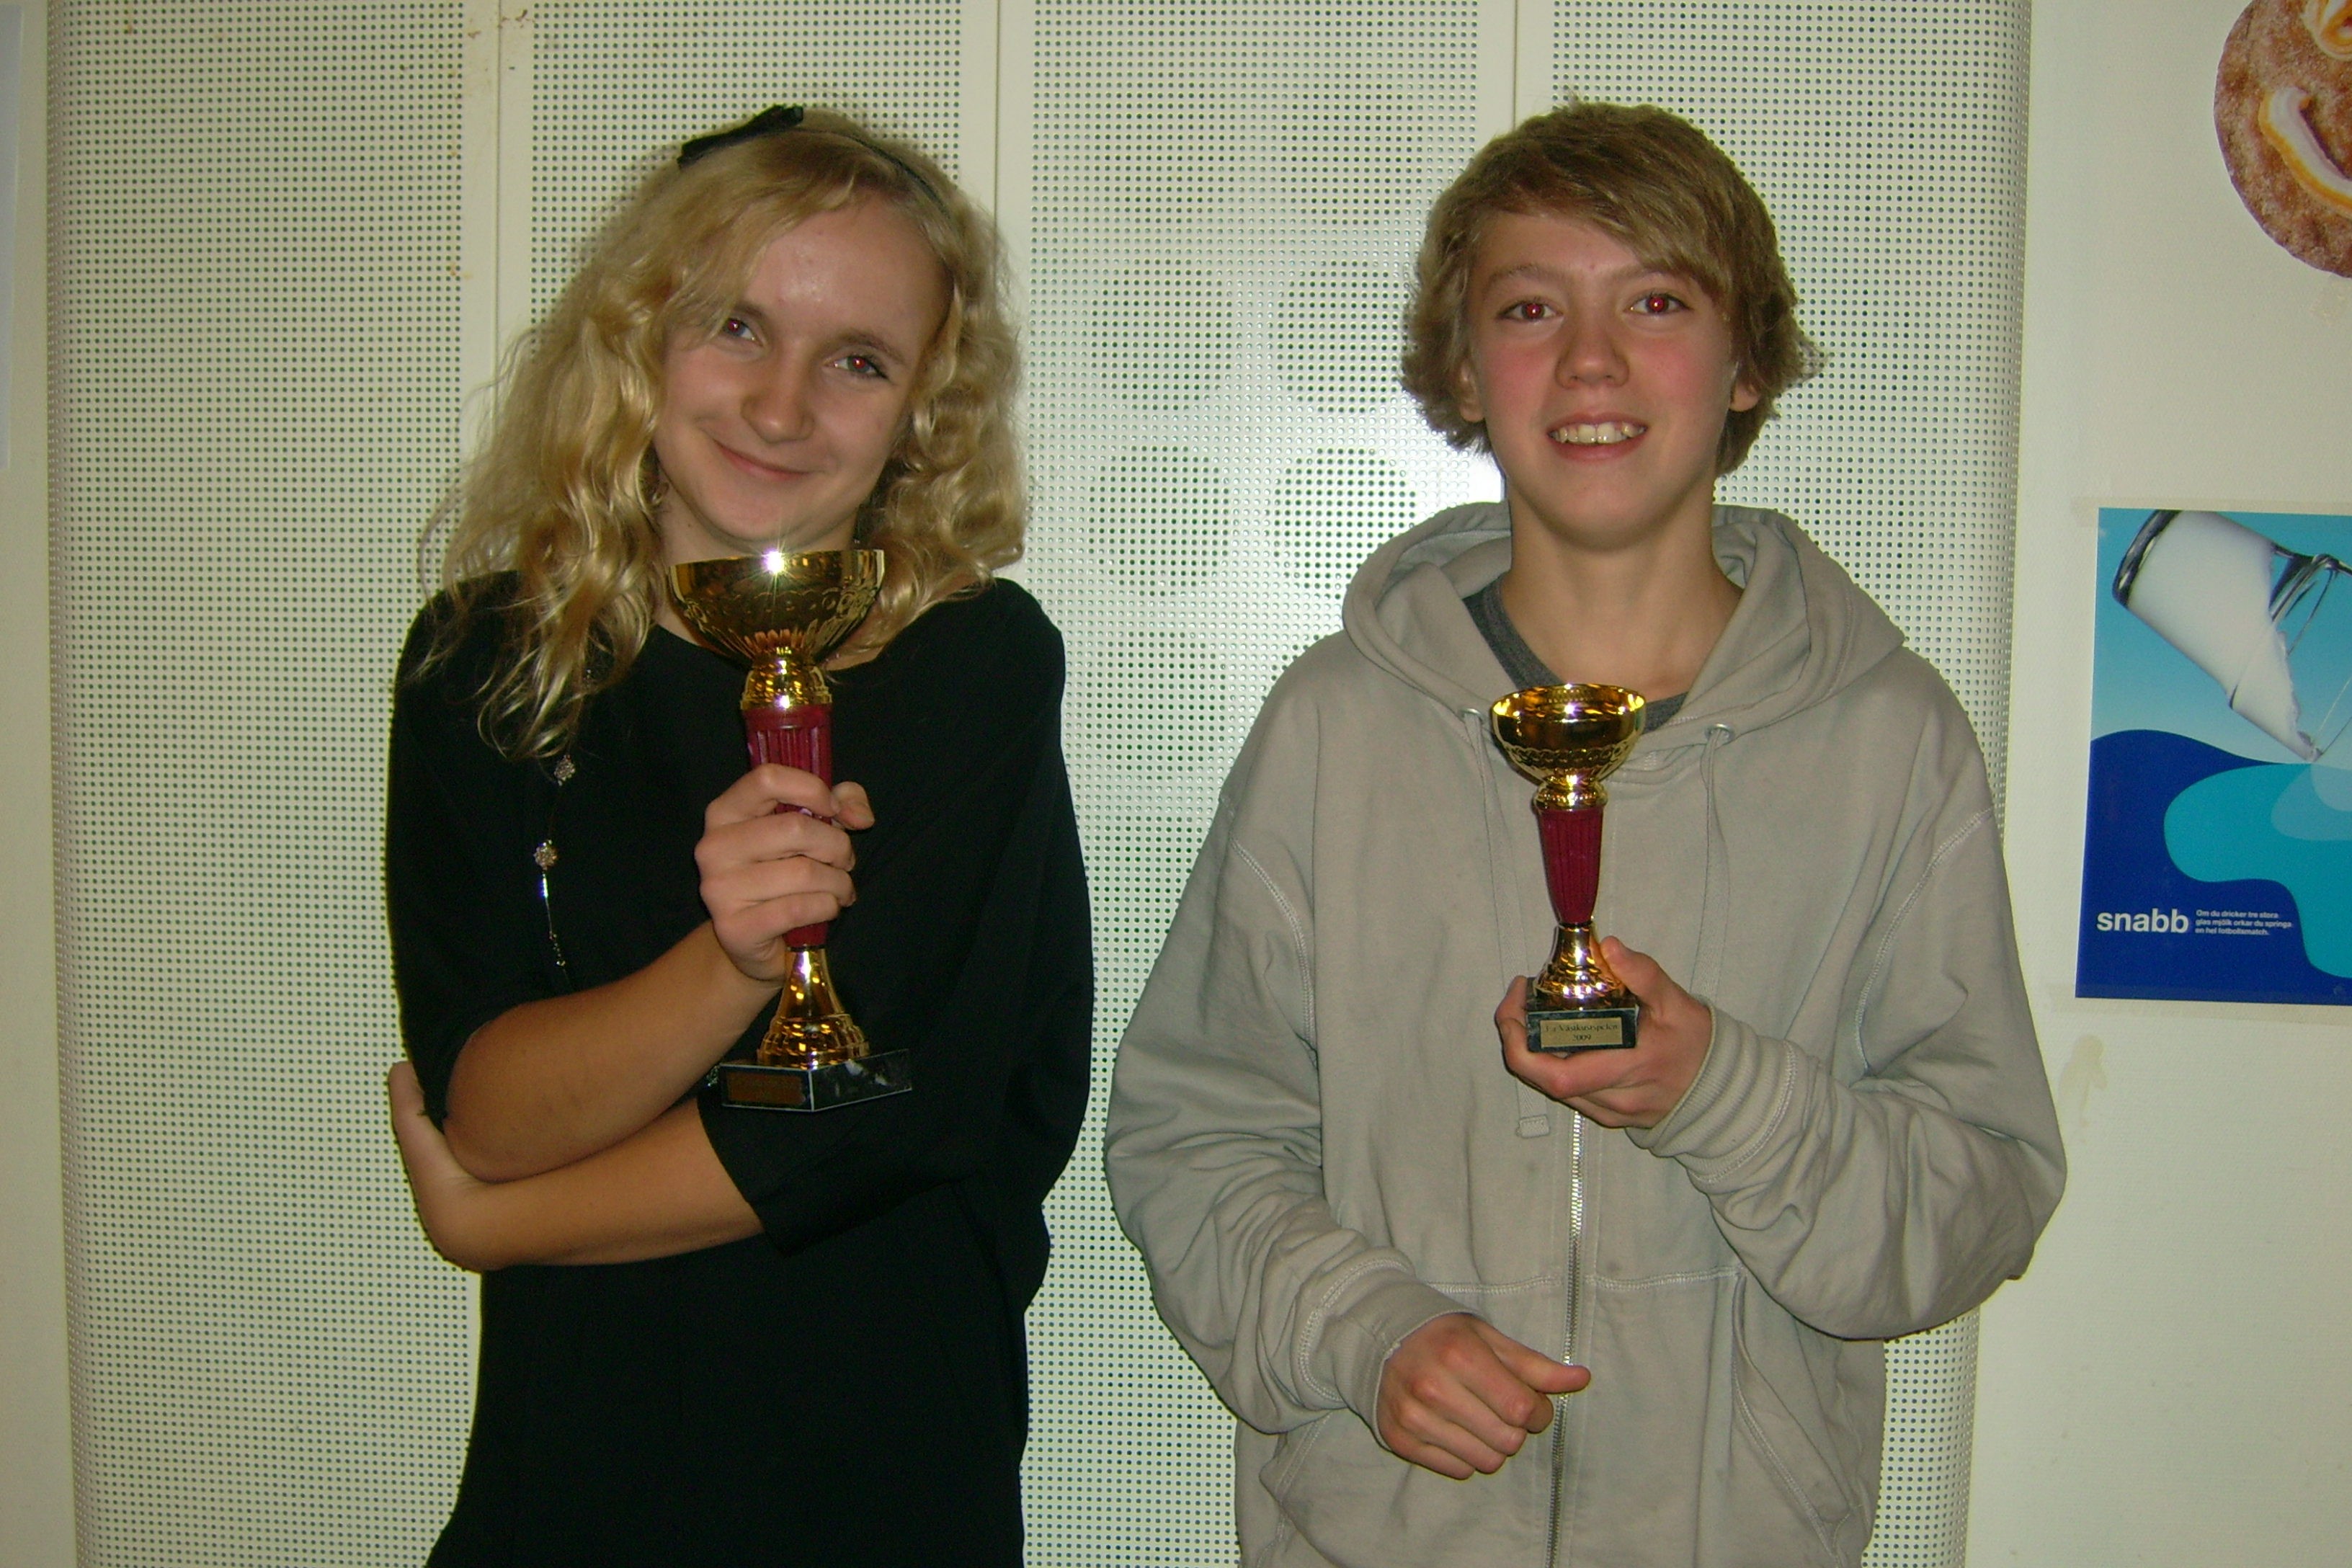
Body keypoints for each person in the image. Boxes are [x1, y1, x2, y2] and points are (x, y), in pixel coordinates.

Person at [1103, 102, 2064, 1567]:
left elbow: (1979, 1197)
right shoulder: (1337, 725)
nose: (1594, 362)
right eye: (1532, 307)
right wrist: (1371, 1333)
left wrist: (1720, 1090)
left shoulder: (1891, 737)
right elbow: (1192, 1131)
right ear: (1467, 371)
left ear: (1748, 365)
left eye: (1658, 301)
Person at [380, 105, 1091, 1568]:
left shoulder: (972, 664)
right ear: (639, 340)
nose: (782, 407)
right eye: (736, 326)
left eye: (857, 361)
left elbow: (893, 1116)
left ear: (920, 412)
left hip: (888, 1474)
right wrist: (727, 959)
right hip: (569, 1479)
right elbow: (490, 1108)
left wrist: (497, 1226)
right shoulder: (485, 662)